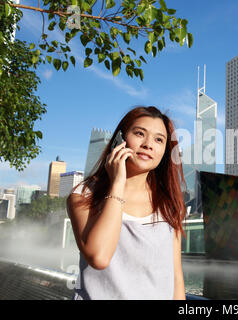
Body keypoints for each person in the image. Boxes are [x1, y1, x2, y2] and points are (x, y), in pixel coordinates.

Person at [67, 106, 187, 300]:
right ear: (120, 139)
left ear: (165, 151)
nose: (148, 144)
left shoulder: (169, 204)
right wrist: (117, 183)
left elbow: (176, 276)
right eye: (140, 133)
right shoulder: (84, 194)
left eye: (159, 140)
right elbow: (99, 257)